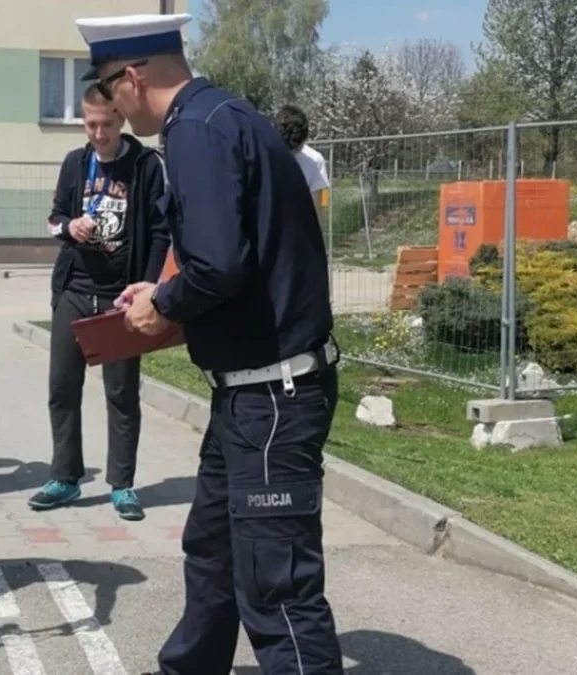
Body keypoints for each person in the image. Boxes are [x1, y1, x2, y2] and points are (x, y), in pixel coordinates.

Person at [75, 13, 344, 675]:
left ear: (132, 77)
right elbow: (229, 258)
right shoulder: (227, 116)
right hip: (249, 393)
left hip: (271, 394)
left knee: (276, 587)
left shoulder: (193, 129)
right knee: (216, 551)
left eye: (109, 90)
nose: (109, 105)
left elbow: (219, 265)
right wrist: (161, 290)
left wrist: (162, 304)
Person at [30, 85, 170, 522]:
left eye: (107, 124)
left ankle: (122, 485)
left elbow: (162, 230)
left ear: (121, 119)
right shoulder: (75, 163)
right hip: (75, 287)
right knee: (61, 388)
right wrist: (70, 226)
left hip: (122, 296)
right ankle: (65, 478)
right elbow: (54, 218)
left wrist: (147, 286)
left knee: (121, 393)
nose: (98, 133)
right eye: (90, 124)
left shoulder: (146, 165)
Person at [274, 105, 329, 216]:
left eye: (296, 149)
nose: (292, 155)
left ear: (305, 139)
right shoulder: (263, 156)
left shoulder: (315, 160)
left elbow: (316, 209)